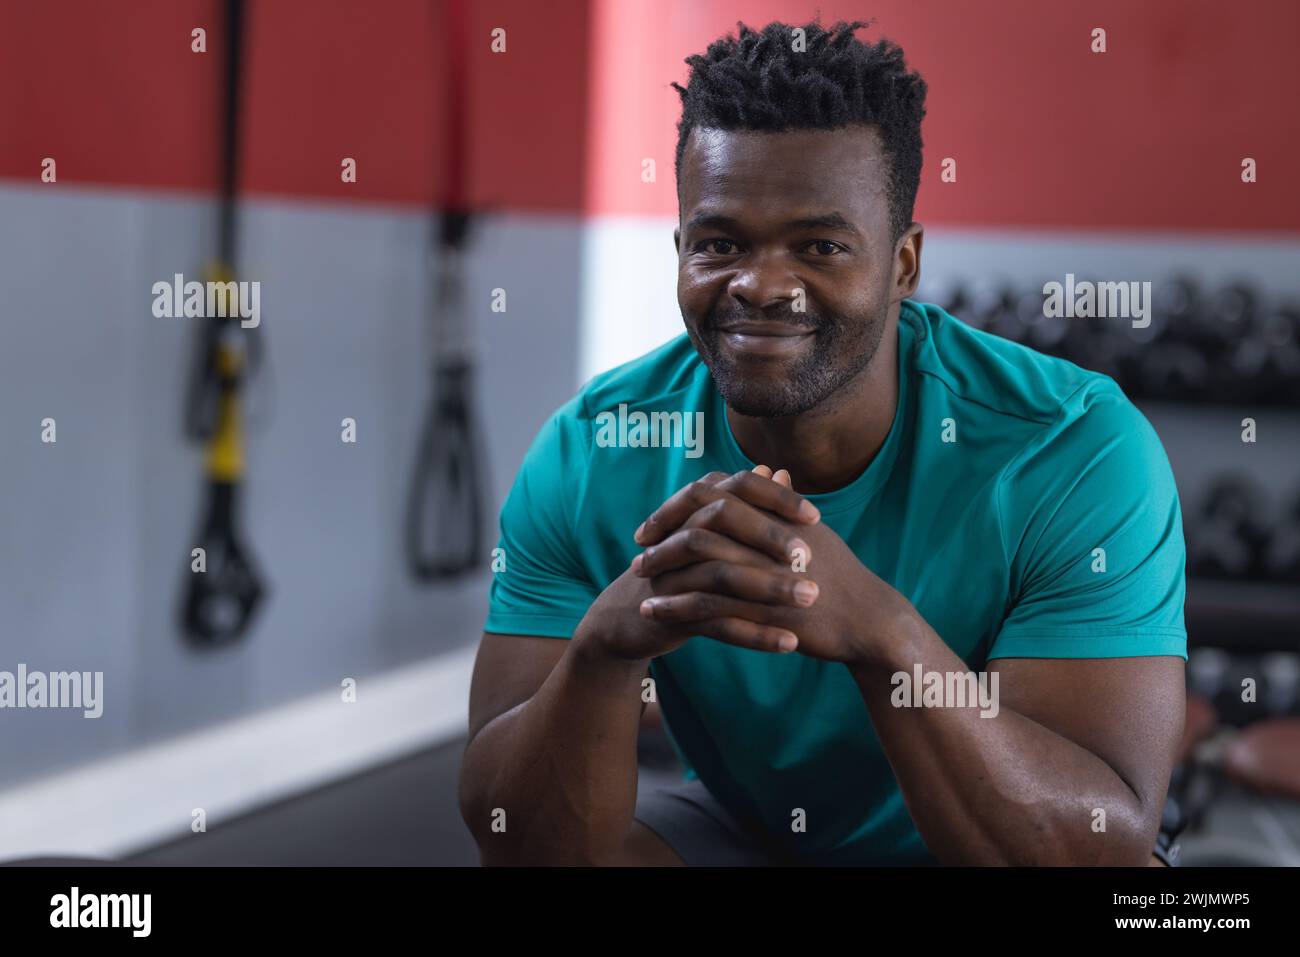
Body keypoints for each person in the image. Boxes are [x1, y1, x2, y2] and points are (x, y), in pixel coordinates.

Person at [458, 19, 1186, 866]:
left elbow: (1090, 850)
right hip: (758, 829)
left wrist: (881, 632)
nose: (762, 284)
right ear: (681, 251)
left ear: (903, 265)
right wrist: (606, 648)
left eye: (821, 246)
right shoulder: (593, 452)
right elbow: (518, 842)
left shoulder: (1071, 447)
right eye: (721, 243)